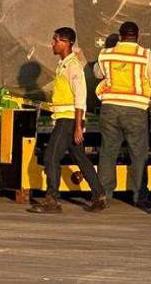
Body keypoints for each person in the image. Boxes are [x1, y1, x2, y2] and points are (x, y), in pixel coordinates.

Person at [30, 27, 106, 214]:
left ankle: (53, 200)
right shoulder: (63, 64)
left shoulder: (73, 66)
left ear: (66, 43)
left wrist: (78, 126)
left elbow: (80, 96)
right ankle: (99, 195)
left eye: (55, 40)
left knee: (50, 157)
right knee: (80, 158)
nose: (52, 44)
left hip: (69, 120)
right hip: (66, 118)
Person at [93, 20, 151, 208]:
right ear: (137, 36)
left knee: (107, 151)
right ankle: (140, 196)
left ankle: (103, 194)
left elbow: (97, 73)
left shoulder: (106, 54)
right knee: (138, 153)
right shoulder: (145, 55)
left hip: (110, 108)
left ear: (120, 35)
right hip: (136, 109)